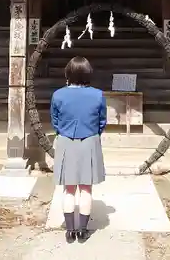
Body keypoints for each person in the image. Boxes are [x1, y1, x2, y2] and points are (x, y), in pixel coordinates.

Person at [51, 56, 107, 243]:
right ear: (88, 73)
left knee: (69, 189)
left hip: (66, 140)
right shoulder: (98, 95)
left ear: (68, 73)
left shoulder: (58, 94)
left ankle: (69, 231)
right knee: (86, 188)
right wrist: (92, 133)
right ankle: (82, 231)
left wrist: (64, 131)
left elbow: (55, 121)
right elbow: (101, 121)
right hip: (90, 140)